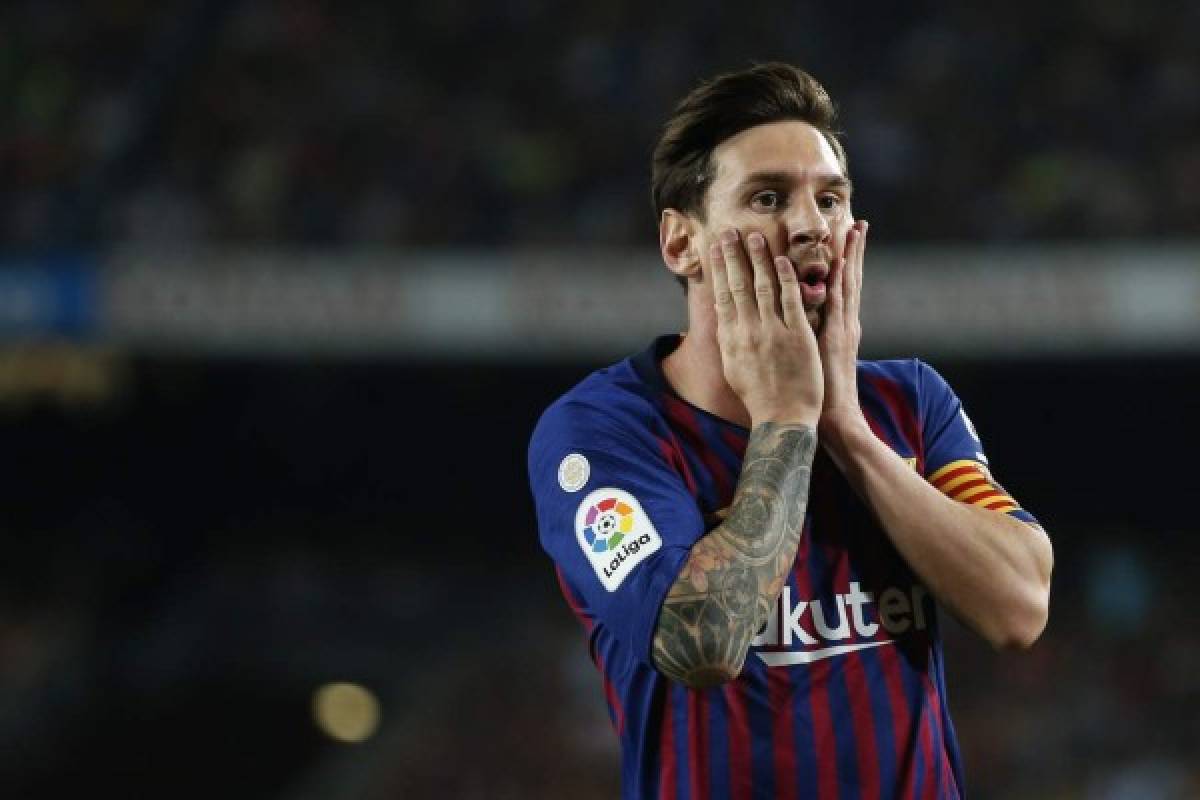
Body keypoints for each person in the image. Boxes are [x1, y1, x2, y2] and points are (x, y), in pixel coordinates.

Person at [527, 63, 1053, 799]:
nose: (811, 225)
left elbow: (1019, 607)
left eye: (831, 199)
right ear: (680, 244)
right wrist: (785, 422)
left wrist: (844, 428)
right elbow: (700, 642)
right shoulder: (602, 433)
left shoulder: (907, 402)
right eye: (768, 197)